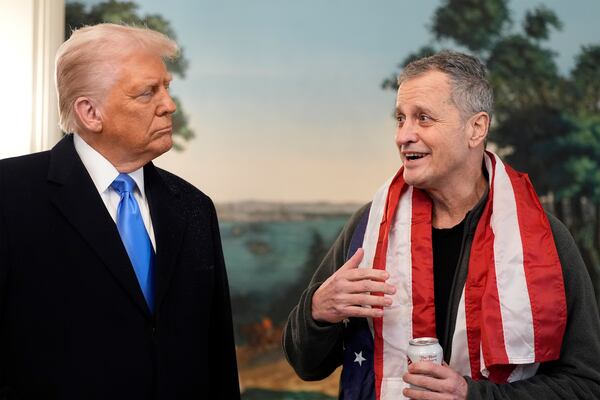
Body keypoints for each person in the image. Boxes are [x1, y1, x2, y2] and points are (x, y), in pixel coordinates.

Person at [283, 51, 600, 399]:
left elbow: (586, 384)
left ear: (476, 128)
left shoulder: (543, 240)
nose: (404, 136)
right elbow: (306, 365)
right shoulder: (369, 226)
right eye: (400, 118)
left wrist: (473, 396)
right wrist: (317, 313)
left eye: (423, 118)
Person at [0, 24, 240, 399]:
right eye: (147, 92)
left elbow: (217, 355)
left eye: (166, 87)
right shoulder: (9, 195)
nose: (169, 105)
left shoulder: (194, 207)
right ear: (90, 112)